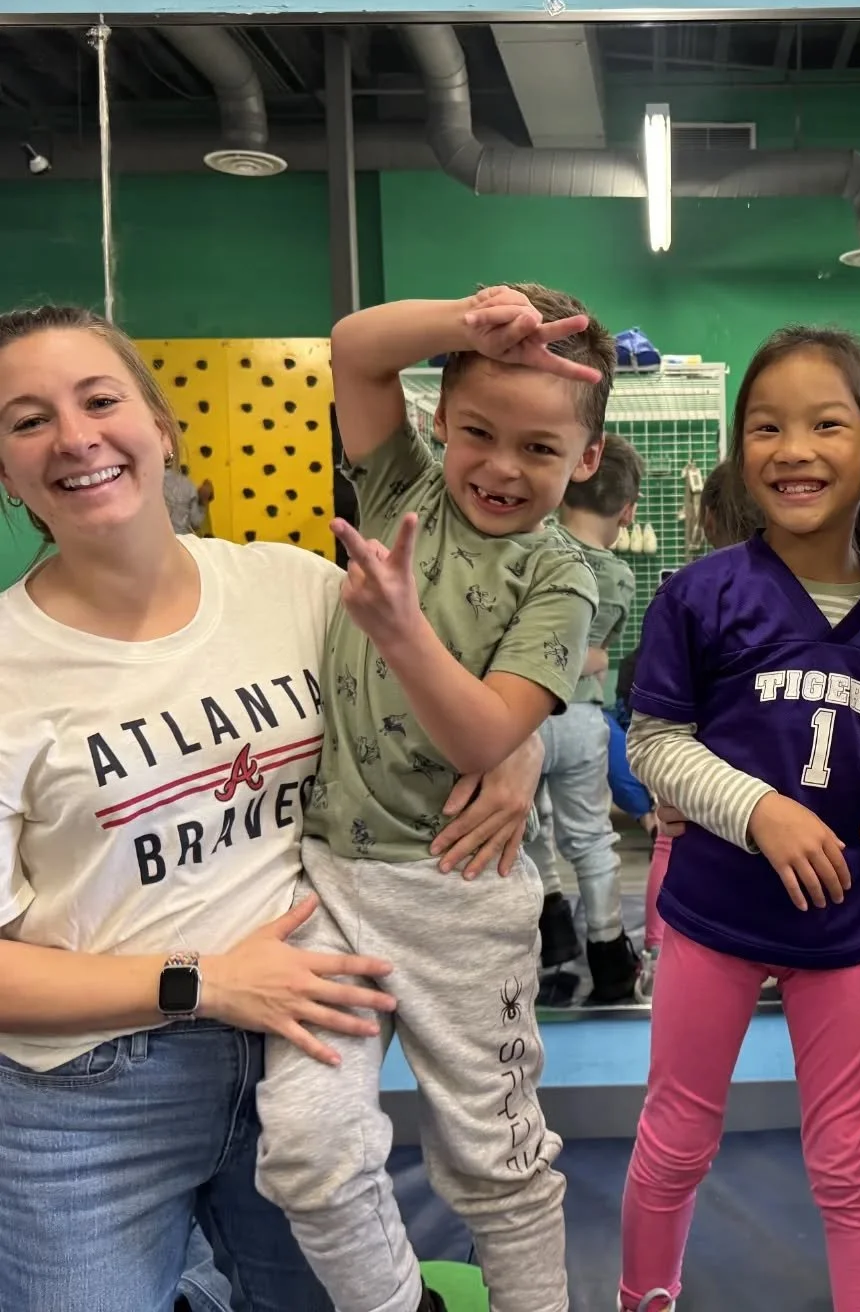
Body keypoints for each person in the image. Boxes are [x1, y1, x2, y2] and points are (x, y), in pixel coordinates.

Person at [0, 304, 532, 1312]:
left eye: (100, 400)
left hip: (303, 1053)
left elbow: (444, 695)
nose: (74, 437)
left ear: (162, 429)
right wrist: (202, 983)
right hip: (89, 1094)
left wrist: (518, 747)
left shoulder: (295, 588)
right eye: (28, 421)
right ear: (5, 470)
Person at [253, 283, 614, 1312]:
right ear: (440, 422)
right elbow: (353, 348)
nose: (501, 468)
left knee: (495, 1162)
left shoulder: (562, 579)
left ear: (586, 459)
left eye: (540, 449)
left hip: (460, 896)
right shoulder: (401, 486)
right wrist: (466, 323)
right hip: (330, 887)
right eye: (478, 433)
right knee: (307, 1147)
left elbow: (487, 735)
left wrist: (402, 630)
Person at [618, 326, 860, 1312]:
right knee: (677, 1138)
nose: (793, 449)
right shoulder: (700, 593)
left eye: (825, 425)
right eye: (766, 427)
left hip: (838, 931)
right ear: (740, 449)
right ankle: (645, 1296)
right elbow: (654, 744)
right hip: (712, 914)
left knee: (849, 1155)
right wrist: (760, 812)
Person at [632, 460, 765, 1004]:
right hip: (704, 756)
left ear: (707, 519)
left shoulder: (689, 593)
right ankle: (663, 950)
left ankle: (657, 949)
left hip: (701, 756)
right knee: (680, 834)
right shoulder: (693, 594)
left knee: (674, 839)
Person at [532, 434, 644, 1004]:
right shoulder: (620, 577)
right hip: (580, 716)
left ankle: (551, 928)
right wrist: (587, 658)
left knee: (527, 826)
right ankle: (609, 953)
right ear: (627, 512)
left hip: (522, 716)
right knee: (592, 837)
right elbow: (599, 650)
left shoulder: (533, 547)